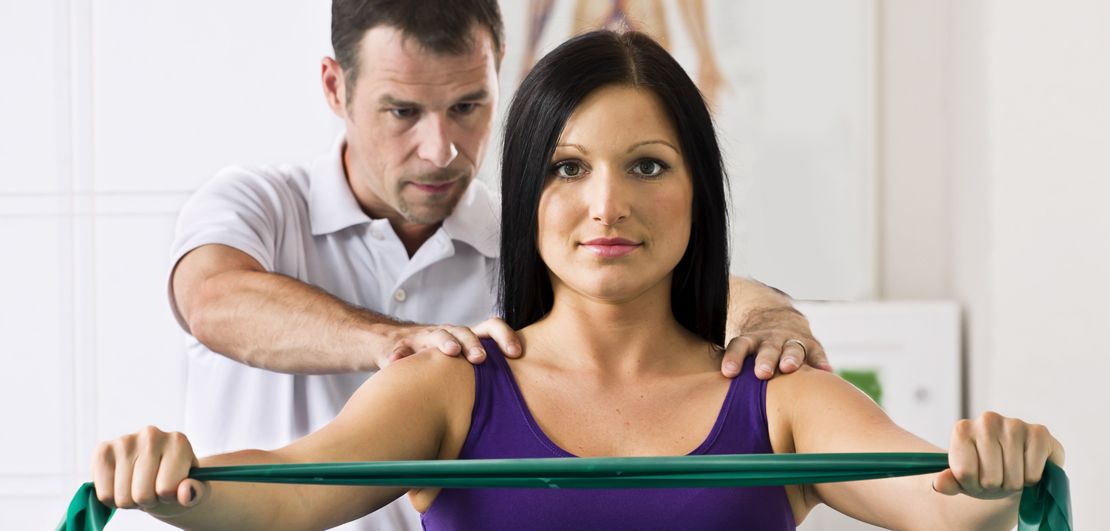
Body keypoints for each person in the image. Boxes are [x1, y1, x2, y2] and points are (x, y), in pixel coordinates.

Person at [97, 30, 1063, 530]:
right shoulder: (448, 385)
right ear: (524, 194)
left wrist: (1000, 470)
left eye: (648, 165)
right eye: (568, 168)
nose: (608, 204)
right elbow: (286, 493)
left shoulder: (782, 396)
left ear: (697, 193)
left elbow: (944, 506)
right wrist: (174, 483)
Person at [169, 2, 826, 528]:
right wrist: (400, 344)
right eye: (403, 111)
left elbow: (642, 265)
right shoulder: (260, 204)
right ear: (335, 87)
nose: (441, 149)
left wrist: (771, 317)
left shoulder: (541, 227)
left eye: (467, 106)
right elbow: (214, 301)